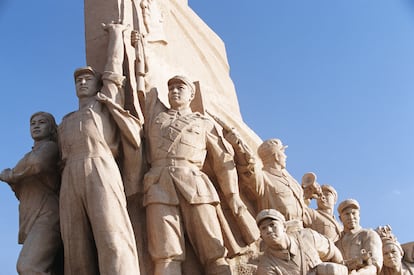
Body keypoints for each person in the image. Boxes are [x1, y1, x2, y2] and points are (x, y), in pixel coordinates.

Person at [141, 74, 247, 275]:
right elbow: (142, 82)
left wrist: (232, 195)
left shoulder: (204, 123)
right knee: (165, 253)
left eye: (180, 87)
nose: (174, 91)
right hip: (158, 185)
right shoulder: (156, 118)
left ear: (192, 94)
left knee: (213, 250)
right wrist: (136, 44)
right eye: (171, 88)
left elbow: (223, 162)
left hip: (195, 185)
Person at [58, 22, 141, 275]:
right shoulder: (66, 120)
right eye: (78, 80)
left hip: (100, 166)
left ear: (97, 84)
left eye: (87, 78)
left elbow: (114, 70)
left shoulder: (103, 103)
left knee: (112, 234)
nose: (82, 82)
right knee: (75, 247)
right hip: (69, 175)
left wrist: (117, 34)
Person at [0, 111, 62, 275]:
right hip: (30, 216)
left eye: (42, 122)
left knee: (28, 266)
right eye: (33, 123)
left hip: (47, 214)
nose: (36, 126)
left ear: (51, 128)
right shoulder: (28, 155)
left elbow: (37, 164)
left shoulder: (50, 147)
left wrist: (12, 174)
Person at [225, 136, 310, 224]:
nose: (285, 156)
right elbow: (249, 168)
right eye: (283, 152)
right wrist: (239, 145)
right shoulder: (263, 178)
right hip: (280, 231)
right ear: (276, 156)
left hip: (301, 231)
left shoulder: (291, 180)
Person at [255, 208, 346, 275]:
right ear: (261, 236)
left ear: (284, 227)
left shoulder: (308, 236)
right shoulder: (266, 266)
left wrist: (341, 268)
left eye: (272, 225)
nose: (269, 230)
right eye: (264, 228)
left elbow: (333, 251)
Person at [336, 199, 383, 275]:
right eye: (347, 214)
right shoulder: (337, 243)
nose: (351, 217)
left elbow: (374, 266)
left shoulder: (369, 235)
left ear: (359, 215)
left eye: (354, 213)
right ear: (340, 218)